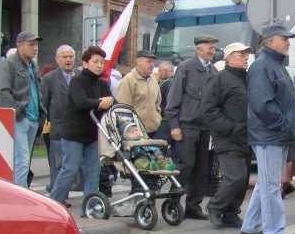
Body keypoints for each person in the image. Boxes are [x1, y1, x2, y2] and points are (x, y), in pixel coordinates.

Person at [241, 24, 295, 234]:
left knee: (266, 183)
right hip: (270, 134)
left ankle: (251, 226)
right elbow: (261, 103)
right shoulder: (263, 65)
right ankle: (274, 232)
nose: (288, 41)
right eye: (283, 38)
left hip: (274, 134)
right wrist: (283, 125)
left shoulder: (273, 63)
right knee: (270, 186)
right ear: (269, 41)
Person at [49, 46, 113, 213]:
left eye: (101, 62)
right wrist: (100, 102)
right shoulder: (77, 81)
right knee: (70, 169)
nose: (99, 65)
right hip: (73, 134)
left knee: (93, 170)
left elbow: (112, 102)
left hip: (92, 134)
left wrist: (109, 103)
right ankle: (53, 202)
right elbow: (81, 102)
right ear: (85, 63)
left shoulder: (102, 84)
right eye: (95, 62)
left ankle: (89, 206)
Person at [164, 34, 218, 219]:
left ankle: (193, 206)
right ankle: (172, 202)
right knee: (186, 165)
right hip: (186, 126)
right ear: (199, 49)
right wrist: (174, 126)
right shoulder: (186, 68)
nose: (213, 51)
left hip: (205, 128)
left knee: (202, 168)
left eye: (213, 47)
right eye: (210, 47)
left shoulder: (213, 71)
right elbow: (173, 98)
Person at [202, 42, 252, 228]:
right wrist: (231, 127)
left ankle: (231, 213)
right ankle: (215, 206)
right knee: (236, 176)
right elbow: (208, 110)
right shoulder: (219, 79)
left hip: (246, 137)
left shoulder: (247, 78)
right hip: (227, 138)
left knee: (243, 178)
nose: (246, 57)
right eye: (241, 54)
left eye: (247, 54)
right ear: (229, 58)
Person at [0, 31, 46, 188]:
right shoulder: (9, 64)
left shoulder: (33, 66)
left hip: (33, 118)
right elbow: (3, 92)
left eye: (36, 44)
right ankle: (20, 196)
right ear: (19, 46)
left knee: (24, 161)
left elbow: (38, 92)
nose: (35, 48)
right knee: (22, 161)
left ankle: (19, 192)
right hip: (20, 119)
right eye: (31, 44)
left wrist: (41, 115)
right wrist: (17, 113)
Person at [117, 49, 163, 193]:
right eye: (149, 61)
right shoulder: (129, 80)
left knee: (154, 163)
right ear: (139, 62)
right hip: (135, 133)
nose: (152, 65)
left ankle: (152, 191)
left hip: (152, 130)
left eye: (153, 62)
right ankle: (138, 194)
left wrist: (157, 117)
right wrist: (129, 130)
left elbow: (158, 104)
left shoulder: (154, 81)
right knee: (139, 165)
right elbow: (122, 107)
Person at [42, 45, 77, 192]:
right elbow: (45, 103)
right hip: (58, 128)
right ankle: (58, 195)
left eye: (70, 57)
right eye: (65, 57)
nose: (68, 60)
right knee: (58, 165)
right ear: (57, 59)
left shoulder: (79, 77)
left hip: (76, 128)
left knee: (73, 164)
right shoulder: (49, 78)